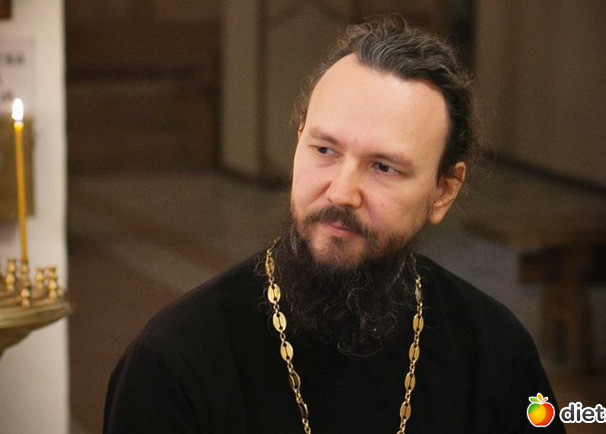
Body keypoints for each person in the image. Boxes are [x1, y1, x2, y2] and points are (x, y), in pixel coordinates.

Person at [103, 16, 565, 433]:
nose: (342, 192)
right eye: (325, 150)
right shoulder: (175, 362)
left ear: (443, 191)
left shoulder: (494, 351)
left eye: (383, 167)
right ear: (298, 141)